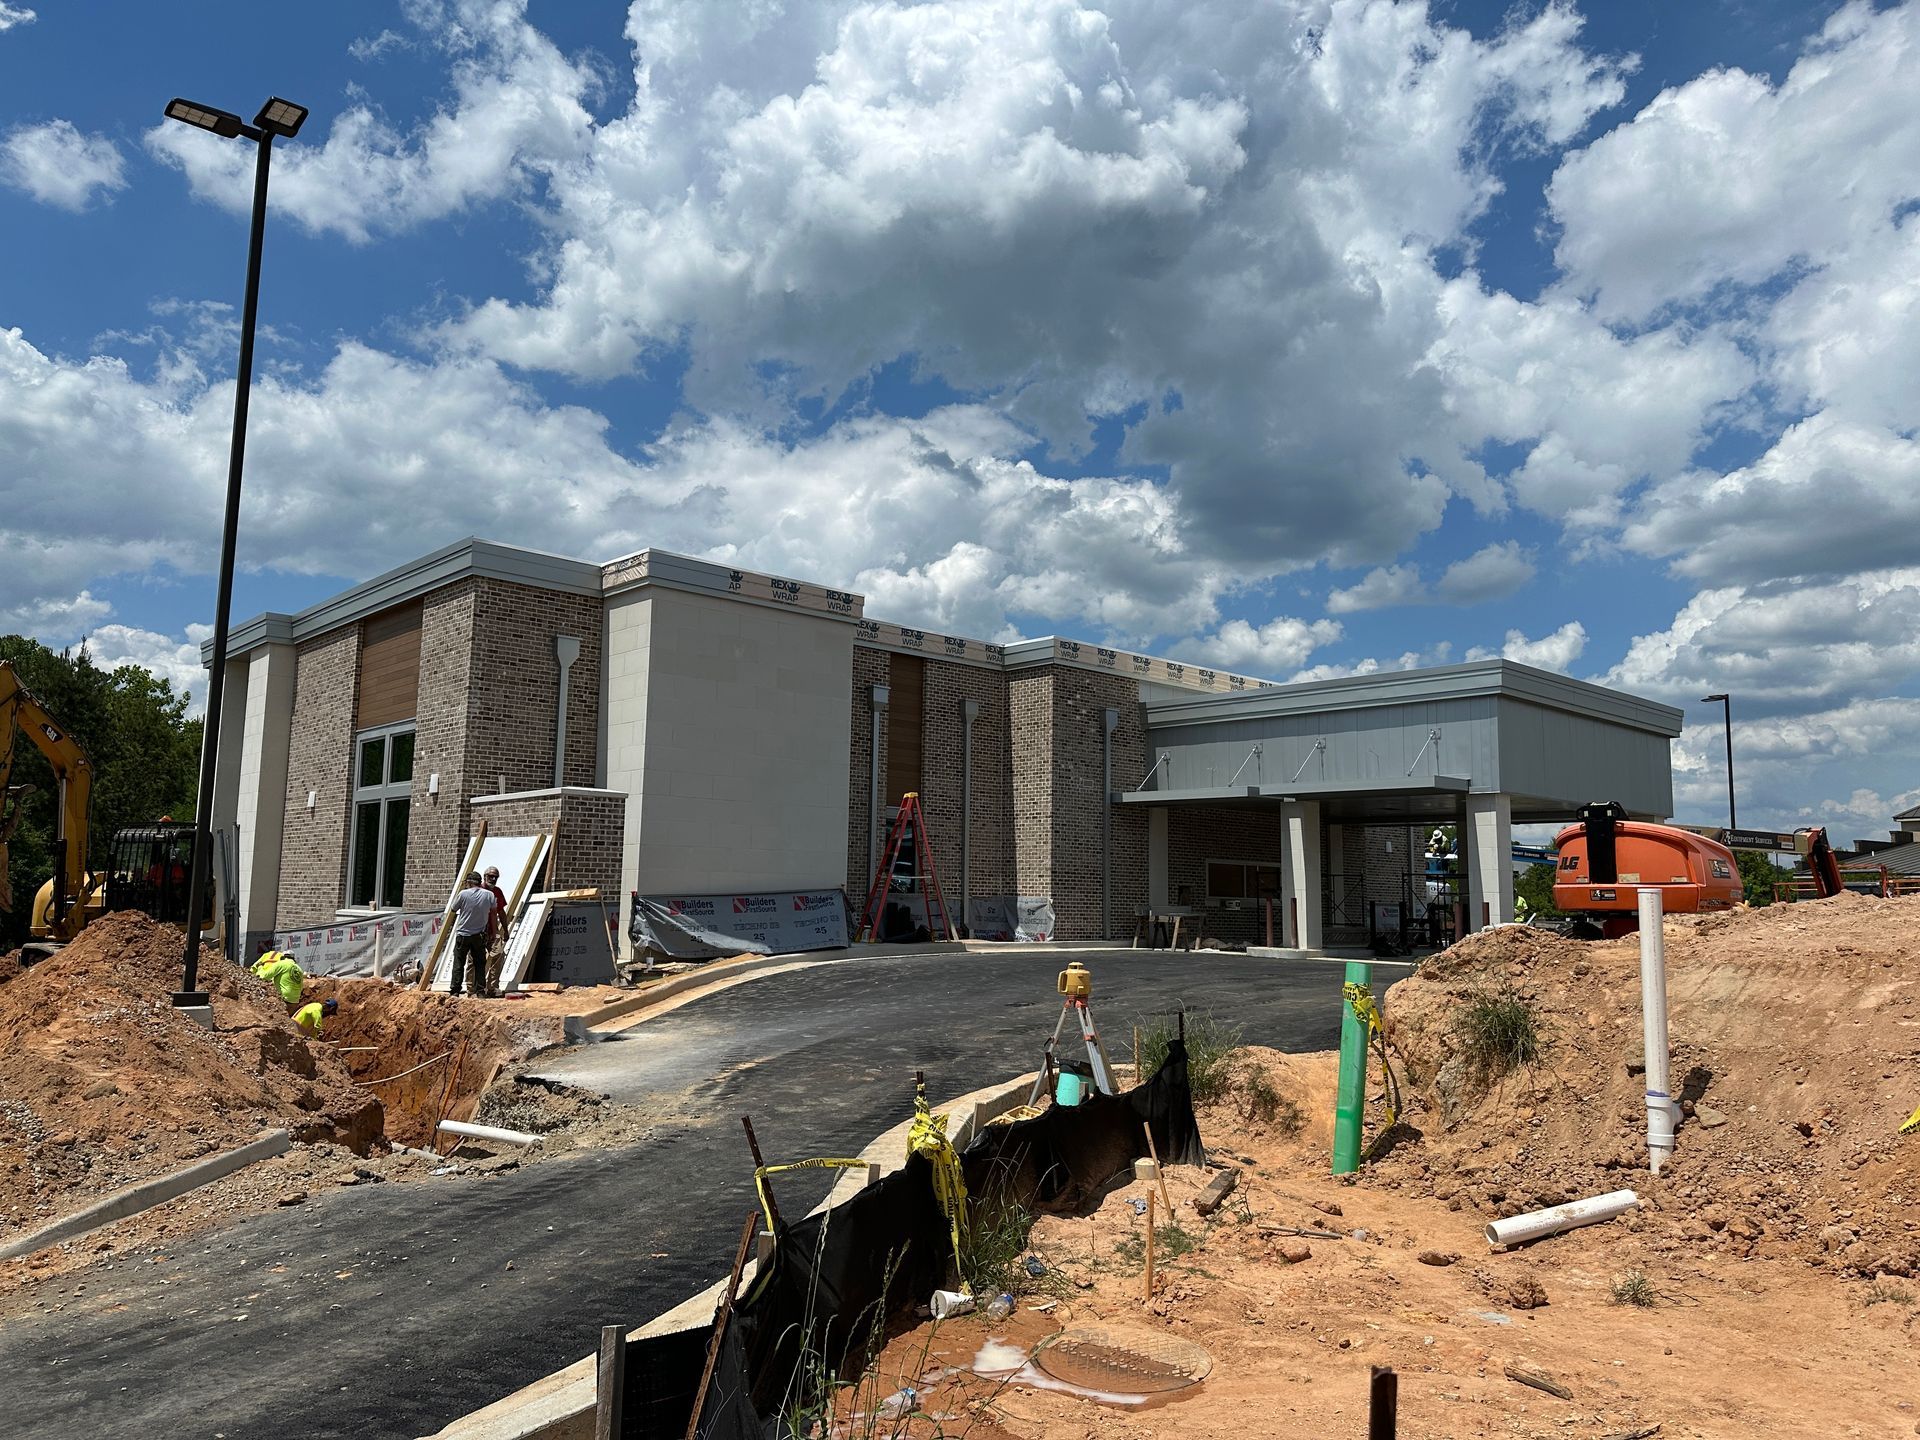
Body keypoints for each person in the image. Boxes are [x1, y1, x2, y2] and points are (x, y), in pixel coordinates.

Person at [448, 871, 497, 997]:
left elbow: (453, 908)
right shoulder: (489, 895)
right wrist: (494, 933)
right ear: (480, 882)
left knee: (459, 963)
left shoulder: (463, 894)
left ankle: (455, 991)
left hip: (463, 934)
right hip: (479, 935)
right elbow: (493, 914)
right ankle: (480, 991)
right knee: (480, 964)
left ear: (469, 882)